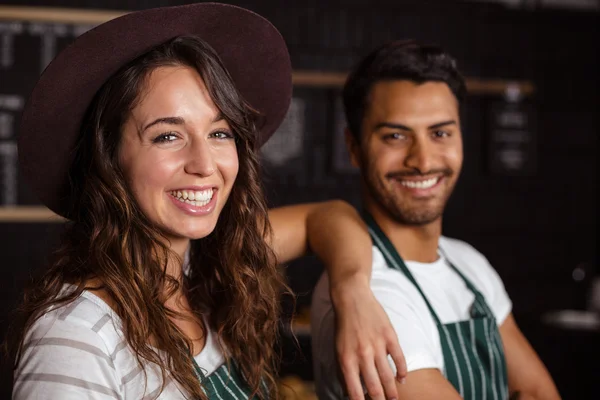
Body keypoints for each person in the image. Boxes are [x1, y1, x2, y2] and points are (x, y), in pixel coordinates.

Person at [8, 4, 406, 399]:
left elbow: (329, 215)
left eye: (220, 133)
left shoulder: (205, 267)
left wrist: (353, 293)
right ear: (110, 158)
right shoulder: (76, 336)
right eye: (168, 135)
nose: (204, 165)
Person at [311, 40, 561, 400]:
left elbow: (538, 392)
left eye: (440, 133)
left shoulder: (467, 263)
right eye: (396, 136)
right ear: (354, 148)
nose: (424, 161)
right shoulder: (371, 292)